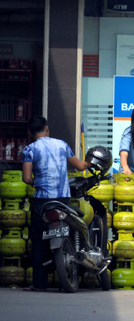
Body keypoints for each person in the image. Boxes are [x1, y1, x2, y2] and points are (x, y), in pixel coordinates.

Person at [21, 116, 91, 292]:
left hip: (42, 203)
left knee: (38, 242)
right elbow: (81, 166)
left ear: (30, 133)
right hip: (63, 199)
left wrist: (35, 182)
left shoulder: (29, 150)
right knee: (70, 233)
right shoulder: (62, 145)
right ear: (47, 129)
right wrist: (92, 161)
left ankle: (40, 284)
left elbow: (26, 178)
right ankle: (71, 276)